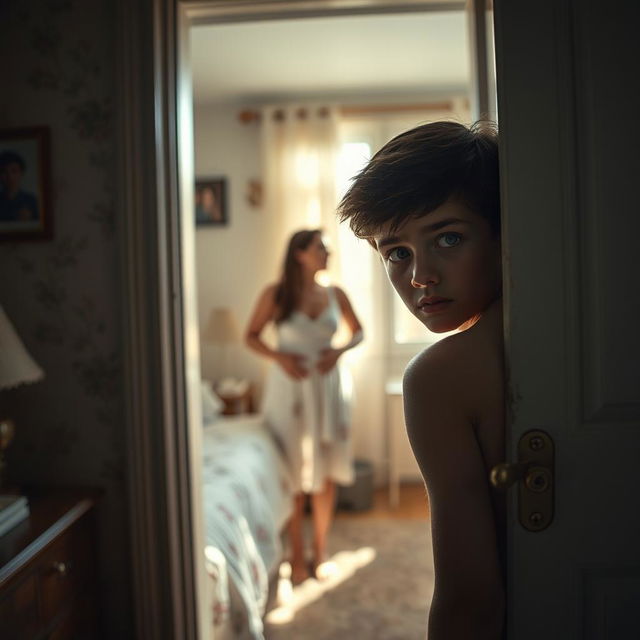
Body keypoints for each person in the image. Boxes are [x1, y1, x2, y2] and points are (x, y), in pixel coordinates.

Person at [338, 121, 505, 639]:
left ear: (504, 232)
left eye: (448, 237)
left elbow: (468, 601)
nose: (419, 276)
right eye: (398, 253)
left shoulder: (438, 376)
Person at [245, 229, 363, 584]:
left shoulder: (335, 294)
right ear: (300, 253)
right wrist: (279, 356)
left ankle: (320, 551)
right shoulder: (276, 294)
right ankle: (295, 554)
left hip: (327, 388)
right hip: (290, 390)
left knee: (325, 473)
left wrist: (339, 350)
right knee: (294, 473)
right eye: (321, 248)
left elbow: (359, 332)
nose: (328, 254)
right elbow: (250, 335)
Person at [0, 150, 39, 222]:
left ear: (21, 173)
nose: (10, 177)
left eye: (14, 171)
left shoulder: (32, 201)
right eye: (4, 172)